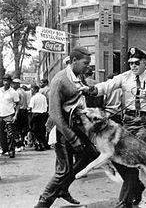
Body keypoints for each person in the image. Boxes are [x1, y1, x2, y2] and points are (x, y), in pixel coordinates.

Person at [83, 47, 146, 208]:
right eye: (130, 63)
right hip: (129, 120)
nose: (133, 66)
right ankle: (136, 190)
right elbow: (108, 85)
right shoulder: (125, 77)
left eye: (137, 63)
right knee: (118, 159)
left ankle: (124, 201)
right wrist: (92, 89)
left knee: (134, 156)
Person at [34, 46, 99, 208]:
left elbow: (80, 98)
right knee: (63, 170)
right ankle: (42, 203)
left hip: (78, 128)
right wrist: (72, 137)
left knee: (90, 154)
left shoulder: (80, 77)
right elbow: (55, 114)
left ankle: (63, 188)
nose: (88, 67)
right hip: (62, 131)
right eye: (85, 63)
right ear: (74, 61)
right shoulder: (60, 80)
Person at [0, 74, 20, 158]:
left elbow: (18, 104)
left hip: (9, 114)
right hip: (0, 114)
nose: (6, 82)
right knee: (1, 134)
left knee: (11, 134)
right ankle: (4, 149)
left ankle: (11, 150)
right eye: (4, 81)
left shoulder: (13, 92)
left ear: (10, 82)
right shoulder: (0, 90)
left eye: (7, 81)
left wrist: (15, 115)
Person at [28, 85, 49, 151]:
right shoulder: (43, 97)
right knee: (42, 130)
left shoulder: (33, 98)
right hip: (43, 115)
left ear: (35, 90)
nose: (31, 91)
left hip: (35, 115)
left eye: (32, 90)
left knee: (35, 131)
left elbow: (30, 107)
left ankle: (39, 144)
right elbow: (46, 106)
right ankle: (44, 144)